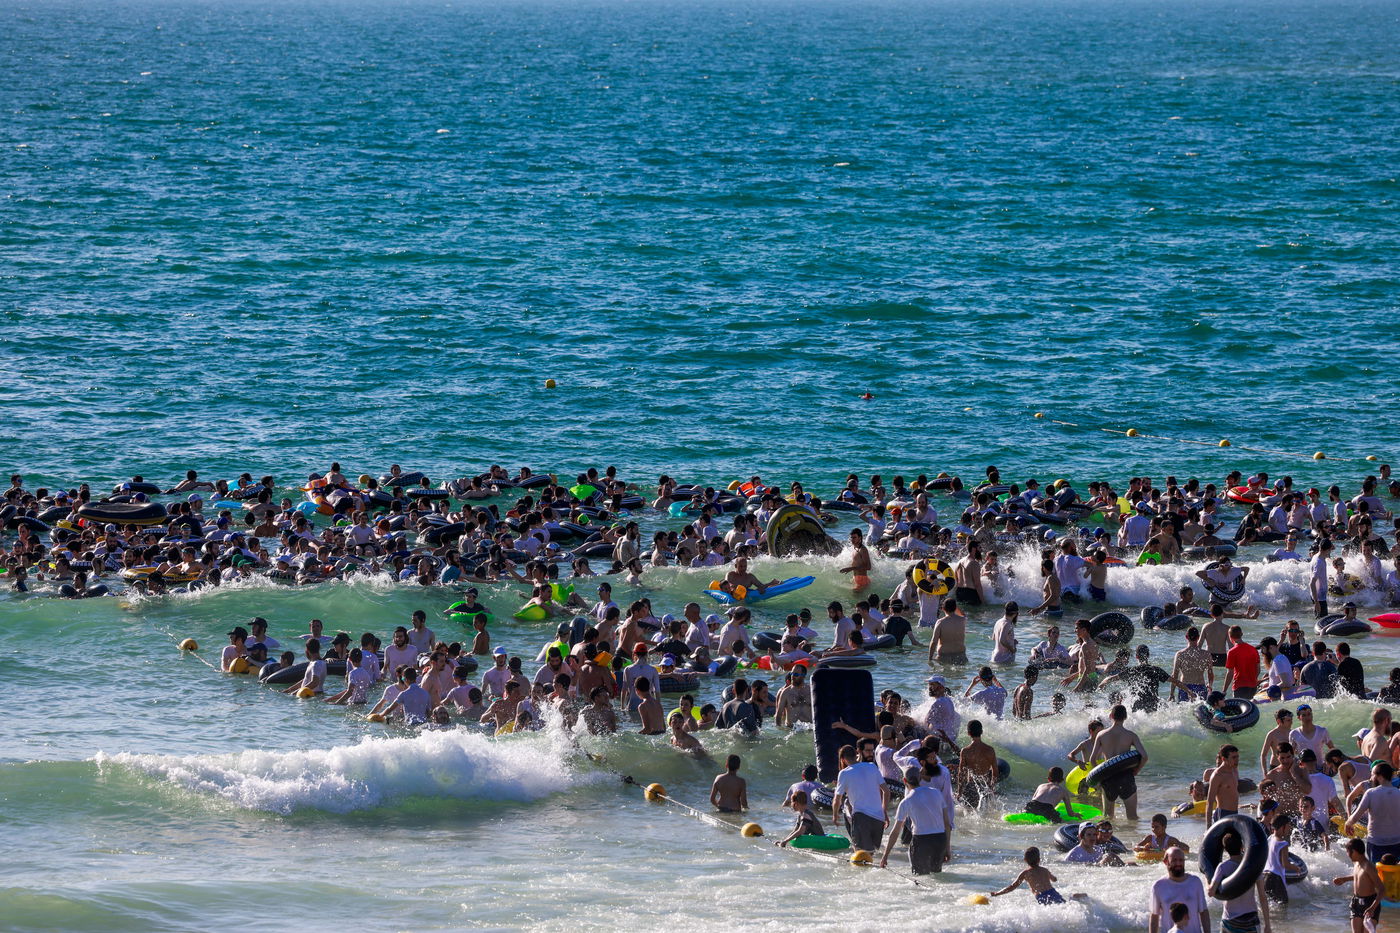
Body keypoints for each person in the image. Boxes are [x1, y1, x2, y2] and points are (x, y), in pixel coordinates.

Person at [878, 766, 949, 874]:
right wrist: (947, 848)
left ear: (904, 781)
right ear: (920, 778)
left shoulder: (907, 801)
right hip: (940, 840)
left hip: (921, 841)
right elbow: (947, 824)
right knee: (936, 875)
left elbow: (896, 832)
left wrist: (885, 855)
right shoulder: (936, 793)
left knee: (920, 877)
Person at [1207, 826, 1273, 933]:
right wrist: (1267, 925)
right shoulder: (1253, 866)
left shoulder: (1223, 867)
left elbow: (1211, 892)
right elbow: (1262, 897)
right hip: (1250, 919)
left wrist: (1207, 875)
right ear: (1242, 846)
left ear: (1225, 849)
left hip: (1230, 920)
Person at [1089, 704, 1148, 820]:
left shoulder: (1101, 735)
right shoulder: (1131, 735)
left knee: (1108, 817)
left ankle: (1109, 837)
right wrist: (1136, 770)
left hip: (1108, 778)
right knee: (1132, 817)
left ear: (1111, 716)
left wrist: (1100, 776)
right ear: (1125, 717)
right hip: (1126, 777)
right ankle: (1132, 836)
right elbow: (1145, 756)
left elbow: (1092, 759)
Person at [832, 743, 888, 852]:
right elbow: (886, 791)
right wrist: (884, 811)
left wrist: (834, 816)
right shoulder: (872, 766)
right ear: (856, 754)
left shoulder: (844, 773)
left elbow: (837, 799)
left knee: (861, 854)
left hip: (862, 818)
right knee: (871, 853)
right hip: (879, 819)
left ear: (843, 759)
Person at [1345, 761, 1400, 864]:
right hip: (1397, 842)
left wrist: (1348, 824)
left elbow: (1356, 816)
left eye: (1373, 774)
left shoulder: (1371, 793)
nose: (1371, 778)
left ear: (1379, 776)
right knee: (1395, 875)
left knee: (1376, 874)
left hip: (1376, 843)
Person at [990, 846, 1081, 905]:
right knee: (1064, 907)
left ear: (1025, 860)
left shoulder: (1025, 873)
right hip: (1053, 893)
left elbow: (1012, 886)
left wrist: (997, 893)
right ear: (1039, 860)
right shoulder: (1045, 870)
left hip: (1041, 896)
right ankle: (1075, 898)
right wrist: (1054, 878)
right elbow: (1054, 879)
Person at [1149, 847, 1210, 933]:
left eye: (1181, 860)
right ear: (1166, 862)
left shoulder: (1195, 882)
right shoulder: (1158, 886)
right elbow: (1154, 916)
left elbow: (1203, 911)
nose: (1178, 863)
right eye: (1174, 860)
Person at [1331, 838, 1383, 933]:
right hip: (1356, 903)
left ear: (1354, 851)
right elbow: (1360, 876)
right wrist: (1344, 879)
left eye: (1347, 851)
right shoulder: (1356, 863)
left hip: (1370, 903)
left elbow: (1382, 889)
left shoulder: (1369, 866)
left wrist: (1372, 908)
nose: (1347, 854)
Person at [957, 720, 999, 808]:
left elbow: (961, 774)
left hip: (971, 787)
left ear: (968, 733)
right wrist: (992, 789)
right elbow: (995, 772)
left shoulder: (965, 751)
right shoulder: (990, 750)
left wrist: (959, 792)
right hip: (985, 786)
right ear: (982, 732)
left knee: (969, 814)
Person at [1222, 627, 1260, 699]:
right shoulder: (1253, 649)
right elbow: (1258, 669)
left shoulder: (1232, 652)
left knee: (1239, 709)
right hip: (1253, 687)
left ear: (1230, 637)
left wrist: (1224, 691)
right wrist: (1253, 680)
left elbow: (1230, 673)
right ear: (1242, 634)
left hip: (1239, 687)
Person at [1207, 744, 1242, 821]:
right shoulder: (1217, 775)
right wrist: (1208, 828)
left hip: (1235, 813)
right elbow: (1210, 802)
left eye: (1237, 757)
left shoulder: (1235, 770)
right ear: (1223, 759)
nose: (1237, 760)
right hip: (1222, 814)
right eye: (1233, 757)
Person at [922, 675, 960, 744]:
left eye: (932, 685)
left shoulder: (938, 703)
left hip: (940, 742)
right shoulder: (949, 700)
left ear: (941, 687)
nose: (929, 688)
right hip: (951, 739)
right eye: (929, 685)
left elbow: (925, 723)